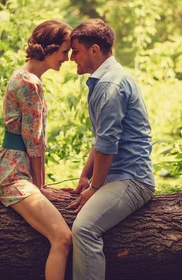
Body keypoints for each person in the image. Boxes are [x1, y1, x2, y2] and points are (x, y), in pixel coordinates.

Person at [64, 19, 155, 280]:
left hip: (131, 179)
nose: (72, 58)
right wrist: (85, 176)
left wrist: (94, 188)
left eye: (76, 51)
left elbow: (107, 145)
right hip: (118, 178)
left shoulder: (110, 85)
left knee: (84, 228)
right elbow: (101, 139)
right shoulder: (108, 80)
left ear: (94, 50)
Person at [0, 20, 73, 280]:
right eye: (64, 52)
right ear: (49, 49)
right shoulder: (31, 84)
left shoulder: (20, 74)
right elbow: (35, 143)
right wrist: (41, 187)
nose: (66, 59)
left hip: (10, 167)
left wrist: (43, 188)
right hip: (12, 173)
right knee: (63, 238)